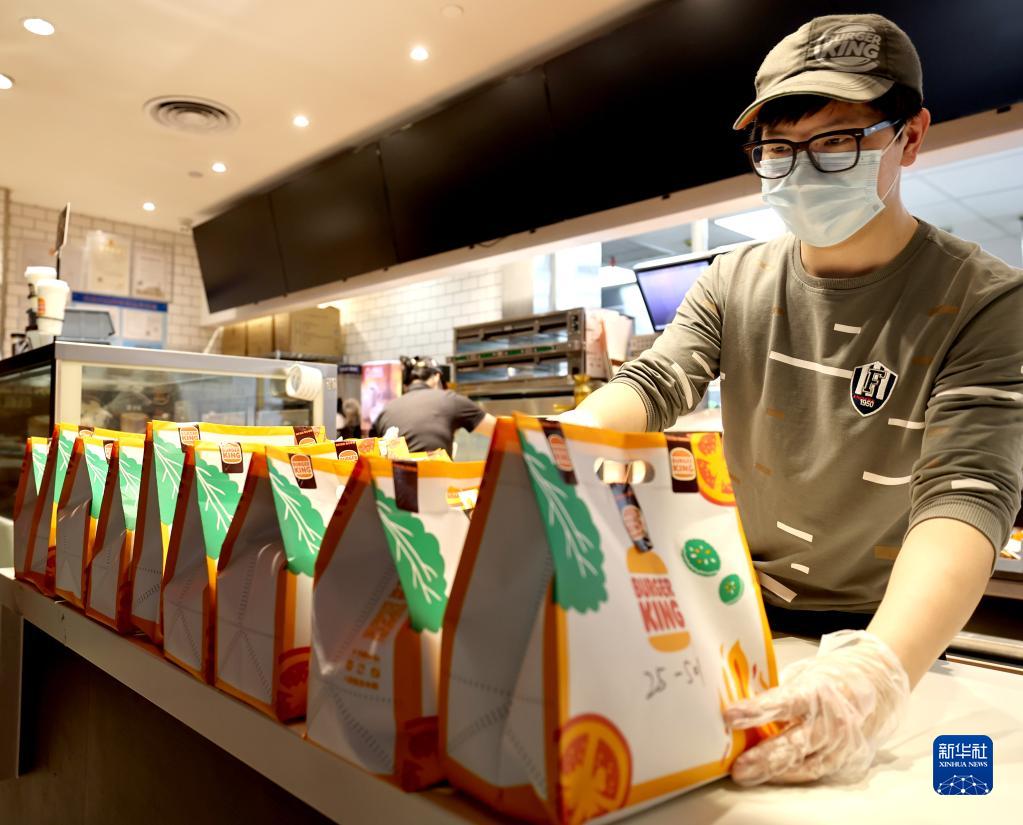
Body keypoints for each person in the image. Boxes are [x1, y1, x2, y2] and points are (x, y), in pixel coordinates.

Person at [563, 13, 1023, 786]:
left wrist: (873, 673)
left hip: (889, 630)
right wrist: (551, 446)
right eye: (777, 148)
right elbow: (653, 383)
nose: (801, 170)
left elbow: (966, 490)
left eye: (835, 142)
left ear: (910, 137)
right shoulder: (731, 280)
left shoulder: (984, 300)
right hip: (741, 614)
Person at [373, 356, 496, 455]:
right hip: (436, 477)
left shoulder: (386, 409)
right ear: (437, 377)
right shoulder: (449, 399)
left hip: (393, 478)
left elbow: (372, 450)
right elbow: (498, 430)